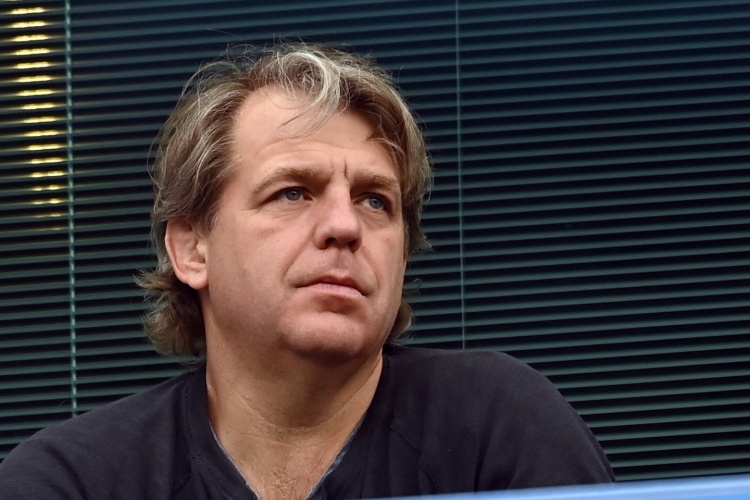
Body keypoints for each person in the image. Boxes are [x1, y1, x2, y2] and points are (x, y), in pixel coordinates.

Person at [0, 42, 614, 499]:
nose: (345, 225)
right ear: (193, 250)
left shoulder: (498, 428)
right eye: (293, 192)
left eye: (376, 201)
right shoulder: (73, 480)